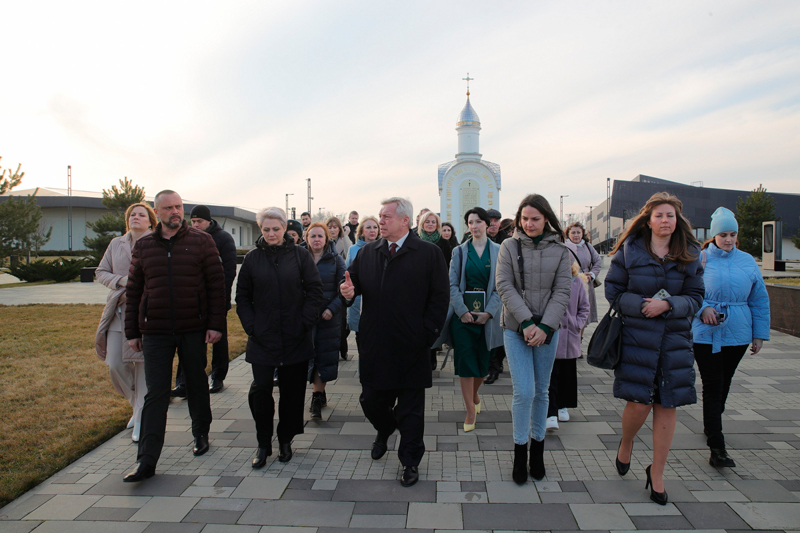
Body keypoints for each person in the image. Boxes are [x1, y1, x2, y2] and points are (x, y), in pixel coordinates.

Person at [340, 197, 449, 487]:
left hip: (412, 346)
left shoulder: (428, 253)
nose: (380, 221)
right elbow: (353, 284)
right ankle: (385, 428)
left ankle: (410, 461)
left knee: (411, 410)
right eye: (379, 216)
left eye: (386, 216)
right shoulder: (368, 252)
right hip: (375, 343)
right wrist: (348, 292)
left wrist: (427, 335)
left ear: (404, 221)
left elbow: (440, 298)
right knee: (371, 400)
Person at [605, 192, 704, 505]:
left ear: (678, 221)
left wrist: (669, 304)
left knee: (668, 405)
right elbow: (614, 292)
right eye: (659, 215)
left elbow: (697, 297)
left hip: (674, 341)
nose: (665, 221)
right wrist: (643, 306)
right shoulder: (630, 251)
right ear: (648, 220)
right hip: (638, 339)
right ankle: (627, 443)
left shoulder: (689, 252)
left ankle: (657, 473)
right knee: (638, 403)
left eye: (670, 216)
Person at [123, 190, 226, 482]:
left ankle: (201, 433)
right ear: (158, 211)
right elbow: (133, 290)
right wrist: (133, 330)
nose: (175, 212)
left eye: (179, 206)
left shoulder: (202, 241)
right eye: (168, 208)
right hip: (154, 331)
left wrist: (216, 324)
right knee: (156, 393)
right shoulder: (144, 246)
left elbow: (217, 286)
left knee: (196, 383)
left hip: (192, 327)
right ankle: (146, 460)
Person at [236, 207, 324, 469]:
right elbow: (242, 297)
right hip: (263, 338)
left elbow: (315, 290)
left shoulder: (300, 255)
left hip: (295, 336)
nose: (271, 233)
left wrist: (304, 322)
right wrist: (252, 327)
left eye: (276, 229)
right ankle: (263, 443)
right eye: (266, 229)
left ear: (285, 228)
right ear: (260, 229)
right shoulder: (252, 258)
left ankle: (286, 439)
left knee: (292, 392)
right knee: (261, 391)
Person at [495, 194, 572, 484]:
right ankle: (519, 451)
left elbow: (563, 290)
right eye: (524, 218)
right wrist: (527, 322)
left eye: (535, 219)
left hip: (548, 331)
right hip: (516, 328)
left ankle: (537, 451)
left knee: (541, 392)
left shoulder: (561, 250)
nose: (529, 224)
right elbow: (503, 284)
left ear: (546, 219)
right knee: (523, 391)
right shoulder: (509, 246)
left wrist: (545, 327)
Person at [692, 207, 770, 469]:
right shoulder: (700, 259)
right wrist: (703, 308)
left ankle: (712, 421)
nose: (728, 239)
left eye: (732, 234)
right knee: (713, 385)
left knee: (724, 384)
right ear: (714, 235)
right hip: (705, 335)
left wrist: (759, 335)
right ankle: (717, 447)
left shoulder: (747, 261)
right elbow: (687, 291)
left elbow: (759, 299)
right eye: (723, 234)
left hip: (738, 334)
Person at [95, 202, 157, 443]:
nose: (136, 217)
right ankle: (136, 404)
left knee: (142, 366)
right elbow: (101, 272)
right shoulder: (116, 244)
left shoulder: (157, 243)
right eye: (133, 214)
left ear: (151, 221)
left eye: (142, 215)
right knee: (114, 364)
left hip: (147, 313)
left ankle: (141, 417)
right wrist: (122, 281)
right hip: (119, 311)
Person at [440, 207, 503, 432]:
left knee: (483, 365)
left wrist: (490, 312)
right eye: (470, 222)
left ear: (487, 224)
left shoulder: (498, 250)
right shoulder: (459, 251)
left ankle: (475, 394)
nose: (474, 226)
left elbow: (501, 285)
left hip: (487, 315)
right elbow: (452, 284)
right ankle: (469, 410)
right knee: (465, 362)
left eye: (478, 222)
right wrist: (462, 311)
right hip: (463, 316)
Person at [172, 205, 237, 397]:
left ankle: (217, 376)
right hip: (193, 302)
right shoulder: (186, 238)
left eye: (199, 221)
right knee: (188, 342)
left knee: (219, 340)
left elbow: (229, 272)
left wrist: (220, 299)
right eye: (192, 221)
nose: (196, 225)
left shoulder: (223, 239)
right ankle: (183, 382)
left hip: (216, 300)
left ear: (209, 221)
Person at [305, 222, 346, 420]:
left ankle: (316, 398)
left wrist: (332, 309)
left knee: (323, 357)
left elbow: (345, 291)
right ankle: (319, 393)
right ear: (307, 238)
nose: (317, 240)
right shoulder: (299, 258)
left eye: (320, 236)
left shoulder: (336, 260)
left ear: (326, 238)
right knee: (307, 357)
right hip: (305, 319)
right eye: (313, 236)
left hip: (327, 318)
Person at [546, 259, 589, 430]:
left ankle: (563, 405)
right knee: (551, 374)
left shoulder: (576, 280)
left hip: (570, 335)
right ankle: (551, 411)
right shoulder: (548, 279)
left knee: (567, 373)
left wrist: (577, 324)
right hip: (551, 334)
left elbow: (584, 306)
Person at [345, 216, 380, 355]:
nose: (372, 230)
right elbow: (348, 273)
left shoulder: (385, 247)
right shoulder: (353, 250)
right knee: (361, 335)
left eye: (375, 227)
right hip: (359, 299)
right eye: (368, 227)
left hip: (378, 299)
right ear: (361, 231)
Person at [564, 221, 602, 325]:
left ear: (582, 234)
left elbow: (598, 261)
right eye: (573, 232)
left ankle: (579, 338)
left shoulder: (588, 247)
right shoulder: (564, 247)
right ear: (568, 234)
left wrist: (592, 274)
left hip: (586, 284)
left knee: (584, 313)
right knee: (571, 312)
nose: (576, 235)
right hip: (571, 283)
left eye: (578, 232)